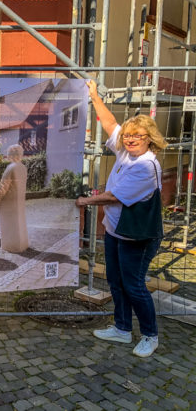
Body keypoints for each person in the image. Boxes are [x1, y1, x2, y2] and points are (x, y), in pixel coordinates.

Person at [75, 80, 168, 358]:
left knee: (135, 285)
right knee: (116, 281)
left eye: (137, 135)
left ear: (149, 137)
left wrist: (84, 201)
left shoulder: (146, 166)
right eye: (128, 135)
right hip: (117, 230)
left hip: (136, 236)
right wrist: (94, 96)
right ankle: (122, 328)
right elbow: (109, 122)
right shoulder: (127, 151)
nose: (129, 139)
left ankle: (150, 335)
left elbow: (113, 197)